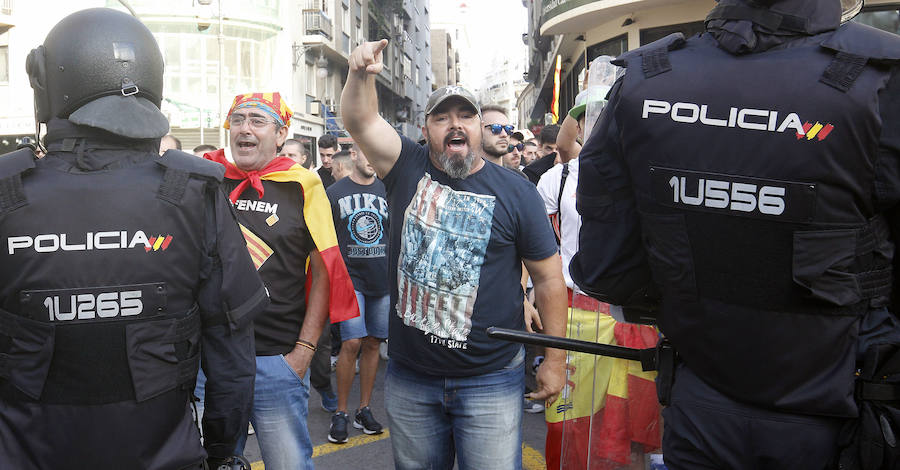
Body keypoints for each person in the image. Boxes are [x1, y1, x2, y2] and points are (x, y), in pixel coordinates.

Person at [571, 0, 900, 468]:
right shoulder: (882, 78)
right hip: (842, 410)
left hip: (701, 403)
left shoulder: (647, 76)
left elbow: (606, 270)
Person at [2, 8, 268, 469]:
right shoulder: (194, 193)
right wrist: (223, 454)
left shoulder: (6, 192)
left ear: (45, 82)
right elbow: (231, 362)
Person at [342, 39, 568, 469]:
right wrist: (359, 73)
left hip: (491, 378)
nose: (455, 124)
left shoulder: (518, 193)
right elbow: (360, 118)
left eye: (466, 115)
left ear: (481, 129)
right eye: (442, 117)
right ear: (425, 131)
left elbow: (549, 279)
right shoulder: (405, 166)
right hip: (411, 377)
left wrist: (554, 360)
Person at [204, 91, 359, 470]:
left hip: (277, 358)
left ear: (280, 134)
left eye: (257, 121)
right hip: (214, 362)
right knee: (215, 463)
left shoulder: (302, 185)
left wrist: (303, 351)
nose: (245, 129)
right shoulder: (208, 179)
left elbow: (324, 268)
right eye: (237, 120)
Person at [538, 90, 661, 469]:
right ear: (579, 126)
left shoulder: (648, 171)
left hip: (633, 315)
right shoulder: (558, 177)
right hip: (576, 311)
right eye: (590, 117)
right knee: (570, 419)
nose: (599, 125)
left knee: (631, 428)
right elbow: (532, 241)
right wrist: (525, 294)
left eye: (607, 115)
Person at [325, 143, 390, 443]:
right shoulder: (335, 193)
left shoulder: (390, 189)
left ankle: (364, 408)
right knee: (351, 343)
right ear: (353, 154)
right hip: (350, 280)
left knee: (373, 343)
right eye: (367, 152)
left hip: (383, 281)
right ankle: (341, 412)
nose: (372, 158)